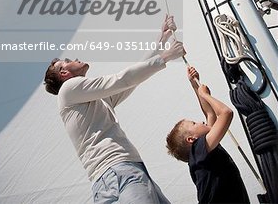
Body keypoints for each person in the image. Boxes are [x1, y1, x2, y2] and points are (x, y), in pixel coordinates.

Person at [44, 15, 185, 204]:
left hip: (116, 174)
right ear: (64, 73)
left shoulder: (90, 100)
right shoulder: (69, 89)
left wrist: (162, 39)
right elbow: (121, 79)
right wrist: (166, 56)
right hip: (118, 172)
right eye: (67, 60)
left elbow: (127, 83)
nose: (74, 58)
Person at [166, 66, 250, 204]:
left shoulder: (203, 153)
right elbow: (226, 113)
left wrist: (194, 84)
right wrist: (206, 95)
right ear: (192, 139)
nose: (200, 121)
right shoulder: (199, 152)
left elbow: (210, 113)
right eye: (194, 123)